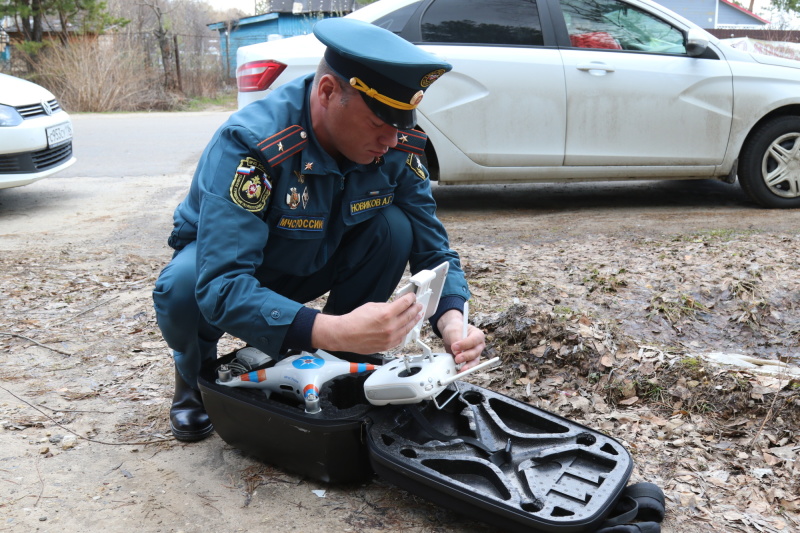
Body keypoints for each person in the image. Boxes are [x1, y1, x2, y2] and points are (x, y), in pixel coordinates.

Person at [152, 17, 486, 442]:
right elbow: (222, 285)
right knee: (183, 284)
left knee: (394, 227)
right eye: (378, 124)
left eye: (399, 126)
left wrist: (453, 321)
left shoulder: (396, 141)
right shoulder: (252, 144)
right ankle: (195, 377)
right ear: (328, 92)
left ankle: (339, 358)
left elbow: (432, 247)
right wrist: (331, 325)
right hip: (245, 274)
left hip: (317, 259)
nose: (390, 140)